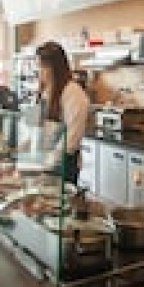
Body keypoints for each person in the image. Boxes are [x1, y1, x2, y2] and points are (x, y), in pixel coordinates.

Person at [35, 41, 90, 183]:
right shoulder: (44, 91)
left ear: (55, 67)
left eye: (42, 66)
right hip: (43, 162)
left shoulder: (73, 92)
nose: (39, 71)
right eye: (38, 66)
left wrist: (49, 161)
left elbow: (72, 137)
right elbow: (32, 124)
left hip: (63, 164)